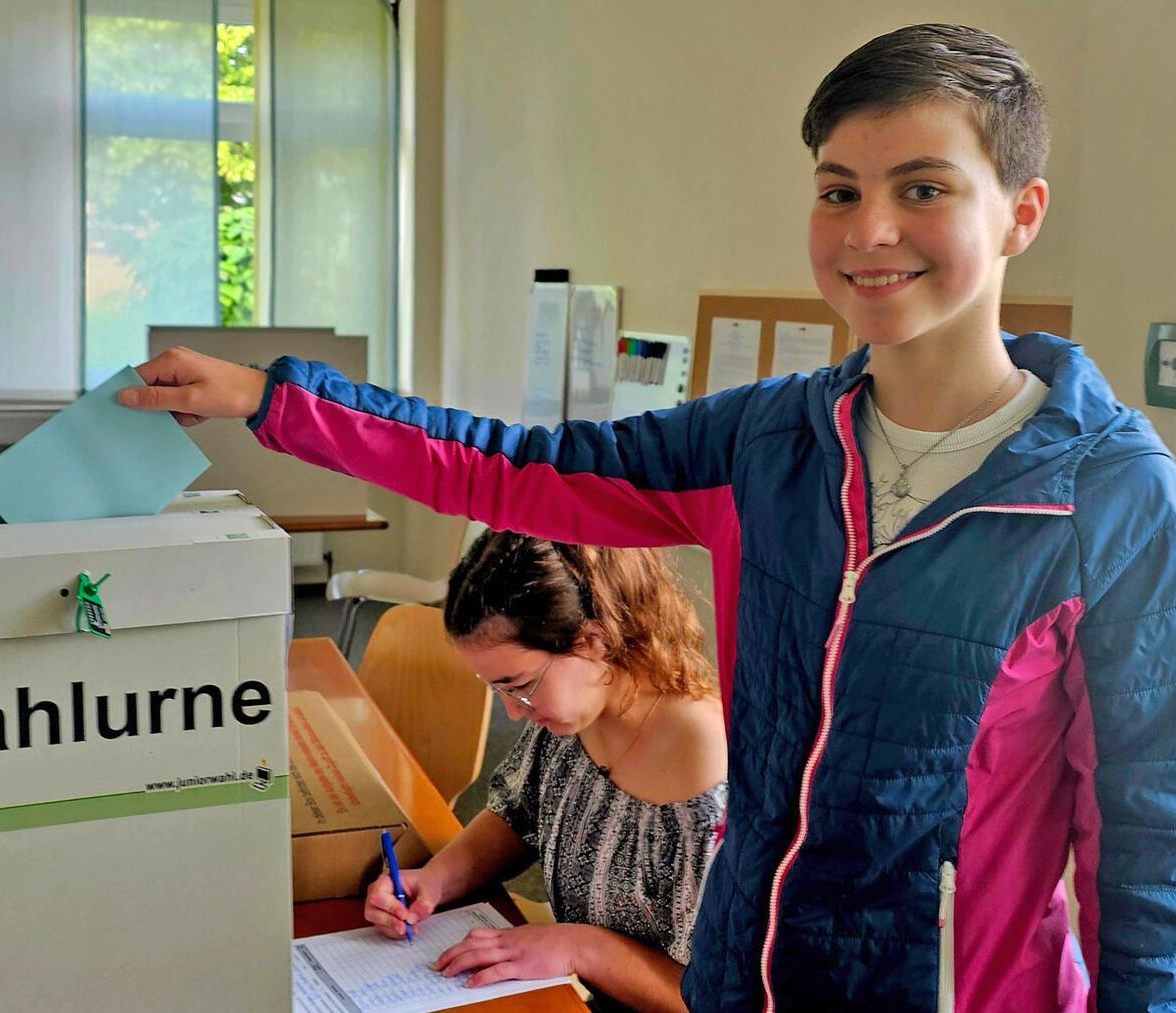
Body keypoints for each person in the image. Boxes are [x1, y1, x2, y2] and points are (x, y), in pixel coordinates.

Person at [121, 23, 1176, 1011]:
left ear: (1022, 212)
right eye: (838, 190)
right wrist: (272, 401)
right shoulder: (770, 440)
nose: (870, 230)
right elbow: (518, 466)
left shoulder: (1110, 494)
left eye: (923, 187)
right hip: (739, 979)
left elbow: (1146, 845)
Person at [362, 530, 725, 1012]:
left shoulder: (705, 769)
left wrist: (580, 948)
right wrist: (436, 880)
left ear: (594, 640)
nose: (513, 712)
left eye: (519, 685)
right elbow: (517, 815)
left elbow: (718, 996)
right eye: (498, 690)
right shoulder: (577, 713)